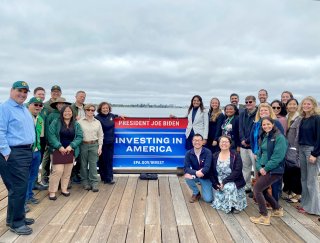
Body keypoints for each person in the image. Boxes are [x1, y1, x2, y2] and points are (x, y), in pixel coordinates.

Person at [0, 81, 35, 235]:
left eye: (25, 92)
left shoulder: (23, 109)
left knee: (18, 188)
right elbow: (0, 131)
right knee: (18, 189)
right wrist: (6, 152)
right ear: (11, 90)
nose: (22, 94)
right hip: (14, 153)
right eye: (19, 91)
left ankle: (14, 217)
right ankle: (16, 223)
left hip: (25, 152)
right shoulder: (5, 108)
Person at [250, 117, 288, 226]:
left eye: (268, 124)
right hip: (263, 168)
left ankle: (264, 216)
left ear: (273, 124)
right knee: (264, 190)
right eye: (264, 125)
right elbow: (258, 154)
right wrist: (259, 167)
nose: (266, 126)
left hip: (274, 170)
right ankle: (277, 209)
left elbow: (278, 157)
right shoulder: (264, 136)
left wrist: (265, 169)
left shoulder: (279, 138)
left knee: (257, 189)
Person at [47, 105, 83, 200]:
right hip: (57, 150)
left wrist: (71, 146)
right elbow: (51, 135)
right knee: (57, 171)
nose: (67, 113)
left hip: (70, 151)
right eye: (65, 111)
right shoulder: (56, 122)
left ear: (72, 113)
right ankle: (52, 191)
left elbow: (79, 136)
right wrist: (59, 146)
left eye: (69, 111)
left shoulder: (76, 124)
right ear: (62, 113)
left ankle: (64, 189)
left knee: (67, 172)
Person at [250, 103, 284, 200]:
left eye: (266, 110)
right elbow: (252, 138)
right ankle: (266, 200)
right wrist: (255, 152)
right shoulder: (257, 123)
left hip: (272, 155)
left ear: (270, 112)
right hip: (259, 154)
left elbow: (280, 137)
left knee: (273, 180)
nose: (263, 112)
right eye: (261, 111)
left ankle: (275, 203)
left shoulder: (275, 122)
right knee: (263, 178)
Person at [211, 135, 247, 214]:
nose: (224, 143)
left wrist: (224, 181)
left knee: (229, 187)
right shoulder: (214, 156)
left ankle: (233, 206)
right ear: (219, 144)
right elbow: (212, 172)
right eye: (222, 142)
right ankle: (224, 203)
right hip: (219, 179)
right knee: (215, 191)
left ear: (230, 144)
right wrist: (215, 183)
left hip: (233, 179)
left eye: (226, 142)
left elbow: (237, 171)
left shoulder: (235, 155)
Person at [297, 96, 320, 215]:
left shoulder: (317, 118)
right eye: (304, 104)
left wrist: (315, 154)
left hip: (311, 151)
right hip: (302, 148)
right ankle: (305, 204)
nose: (306, 106)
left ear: (314, 105)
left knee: (312, 181)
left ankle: (315, 208)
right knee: (304, 179)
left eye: (309, 104)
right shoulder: (303, 119)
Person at [95, 102, 124, 184]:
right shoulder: (97, 118)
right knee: (102, 161)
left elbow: (116, 116)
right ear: (100, 109)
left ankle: (109, 177)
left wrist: (120, 116)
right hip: (101, 143)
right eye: (103, 108)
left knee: (109, 160)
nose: (105, 109)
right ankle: (104, 178)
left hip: (110, 142)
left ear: (109, 108)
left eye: (107, 108)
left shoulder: (111, 116)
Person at [78, 104, 104, 192]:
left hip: (94, 145)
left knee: (93, 164)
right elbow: (77, 135)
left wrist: (100, 147)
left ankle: (94, 182)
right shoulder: (79, 122)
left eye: (92, 110)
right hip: (83, 145)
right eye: (88, 110)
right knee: (83, 164)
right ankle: (85, 182)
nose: (90, 112)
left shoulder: (97, 122)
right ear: (85, 110)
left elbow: (100, 135)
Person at [41, 85, 62, 185]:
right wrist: (47, 139)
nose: (56, 93)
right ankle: (44, 176)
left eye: (58, 91)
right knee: (47, 158)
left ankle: (58, 178)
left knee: (58, 160)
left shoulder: (63, 107)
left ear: (60, 93)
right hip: (47, 136)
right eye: (54, 92)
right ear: (51, 93)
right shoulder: (45, 105)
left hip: (60, 139)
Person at [25, 97, 44, 206]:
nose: (37, 107)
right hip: (27, 151)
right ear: (29, 105)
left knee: (33, 175)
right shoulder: (25, 117)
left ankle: (30, 195)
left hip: (37, 151)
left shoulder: (40, 119)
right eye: (35, 104)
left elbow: (40, 136)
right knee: (25, 177)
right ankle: (24, 199)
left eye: (40, 105)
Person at [184, 134, 213, 203]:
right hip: (196, 175)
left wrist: (201, 172)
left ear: (203, 142)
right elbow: (186, 168)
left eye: (199, 140)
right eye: (195, 140)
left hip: (206, 176)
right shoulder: (188, 153)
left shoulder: (208, 152)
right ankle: (196, 193)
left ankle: (210, 187)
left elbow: (207, 167)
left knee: (208, 199)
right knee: (187, 176)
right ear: (192, 141)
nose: (197, 142)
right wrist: (196, 173)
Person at [282, 98, 302, 203]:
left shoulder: (299, 118)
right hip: (287, 147)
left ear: (297, 106)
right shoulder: (287, 117)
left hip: (294, 147)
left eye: (294, 104)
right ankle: (290, 192)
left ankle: (297, 194)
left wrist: (295, 147)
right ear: (287, 106)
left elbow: (298, 134)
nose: (292, 106)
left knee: (296, 169)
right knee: (288, 169)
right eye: (290, 104)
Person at [239, 96, 258, 194]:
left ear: (255, 102)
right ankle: (247, 186)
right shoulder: (242, 114)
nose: (248, 103)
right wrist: (242, 139)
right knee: (245, 167)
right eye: (246, 102)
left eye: (250, 101)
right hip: (243, 146)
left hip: (253, 146)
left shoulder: (258, 113)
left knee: (256, 168)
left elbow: (256, 130)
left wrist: (247, 140)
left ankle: (256, 188)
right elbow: (240, 128)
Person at [70, 90, 86, 184]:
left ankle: (76, 174)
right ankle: (71, 176)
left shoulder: (86, 107)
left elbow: (94, 117)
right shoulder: (71, 107)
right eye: (81, 96)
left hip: (84, 137)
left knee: (81, 158)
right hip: (73, 136)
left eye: (84, 97)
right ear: (76, 97)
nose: (82, 98)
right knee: (72, 157)